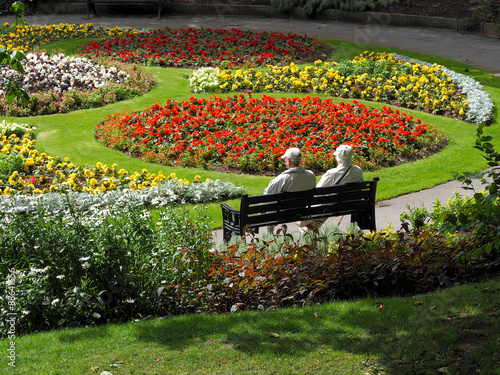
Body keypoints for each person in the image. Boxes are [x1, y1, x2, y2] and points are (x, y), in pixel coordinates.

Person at [263, 147, 316, 233]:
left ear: (288, 161)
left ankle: (270, 235)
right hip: (303, 212)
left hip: (281, 214)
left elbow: (266, 196)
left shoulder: (282, 179)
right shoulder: (311, 176)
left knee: (268, 205)